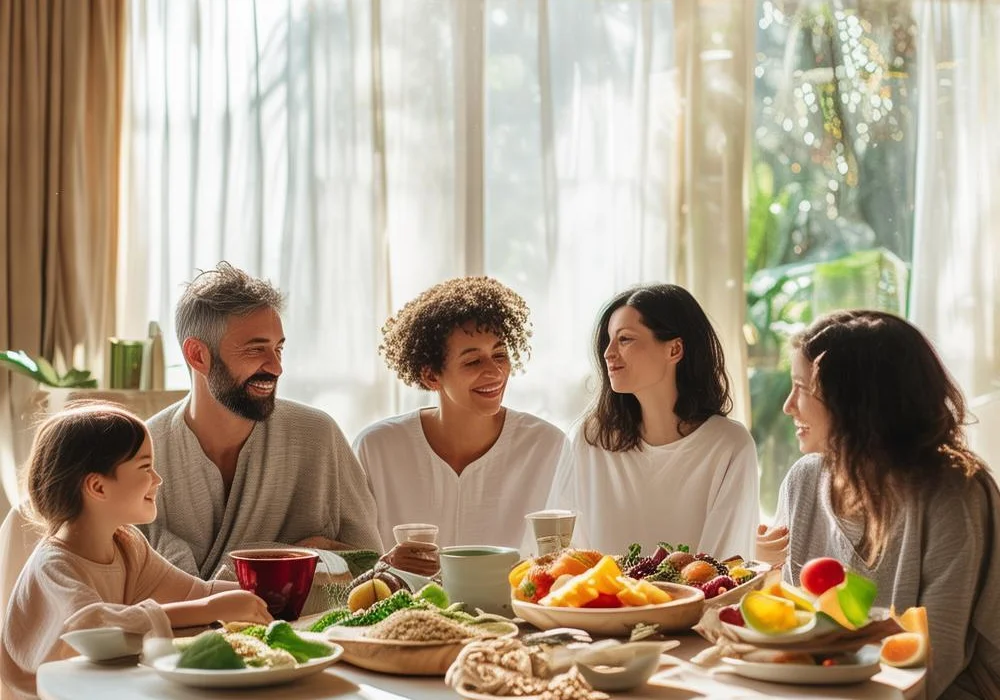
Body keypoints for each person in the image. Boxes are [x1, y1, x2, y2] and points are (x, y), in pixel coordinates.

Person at [757, 310, 1000, 699]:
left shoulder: (955, 494)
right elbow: (795, 632)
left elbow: (932, 661)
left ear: (855, 401)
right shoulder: (805, 479)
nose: (788, 406)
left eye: (801, 387)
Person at [0, 404, 270, 698]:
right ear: (98, 487)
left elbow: (194, 593)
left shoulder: (127, 544)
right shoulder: (53, 565)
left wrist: (272, 591)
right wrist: (208, 609)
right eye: (145, 467)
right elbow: (94, 625)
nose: (157, 479)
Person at [142, 262, 383, 581]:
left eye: (278, 349)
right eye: (255, 349)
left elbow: (373, 571)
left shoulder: (318, 436)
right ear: (198, 355)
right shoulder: (143, 451)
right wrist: (289, 557)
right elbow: (118, 579)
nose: (276, 367)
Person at [353, 276, 570, 551]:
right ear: (432, 376)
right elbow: (358, 560)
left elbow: (568, 559)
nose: (495, 372)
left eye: (499, 355)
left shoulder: (548, 446)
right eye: (473, 361)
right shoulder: (376, 448)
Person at [547, 284, 759, 558]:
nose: (608, 353)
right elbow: (564, 557)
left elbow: (720, 567)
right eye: (608, 340)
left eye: (625, 339)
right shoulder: (591, 439)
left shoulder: (729, 446)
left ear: (674, 350)